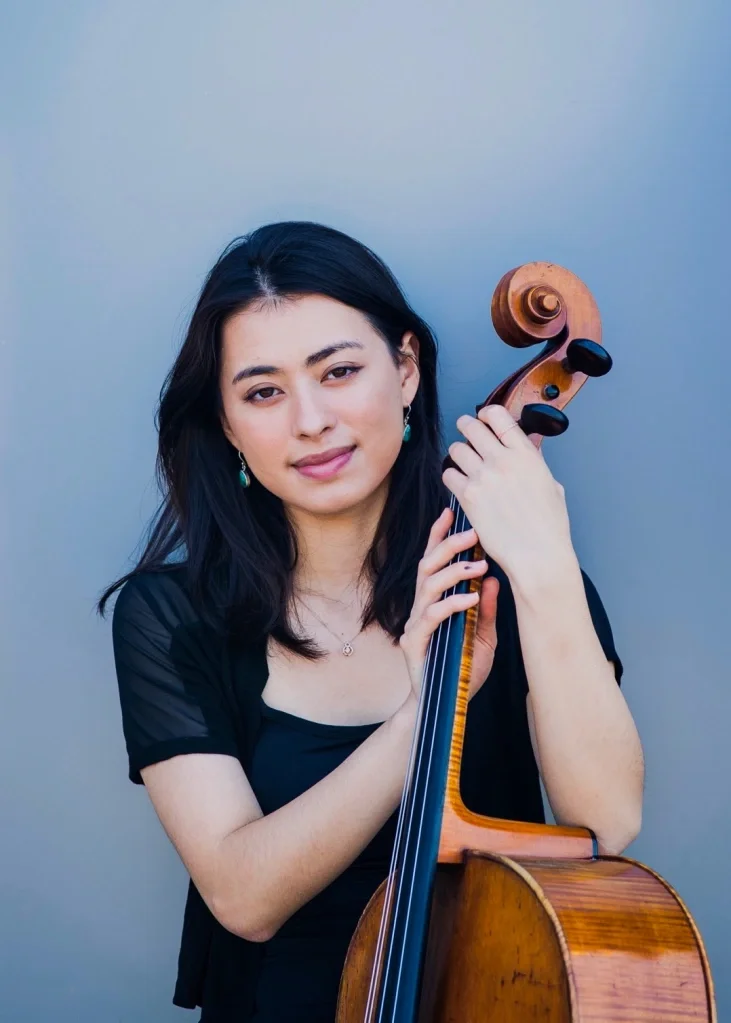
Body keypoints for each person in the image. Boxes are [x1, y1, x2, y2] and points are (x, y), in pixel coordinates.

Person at [97, 221, 644, 1022]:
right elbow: (244, 895)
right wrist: (425, 714)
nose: (311, 420)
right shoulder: (170, 616)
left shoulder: (523, 585)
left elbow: (605, 822)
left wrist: (548, 569)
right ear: (227, 425)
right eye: (263, 391)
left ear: (406, 369)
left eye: (340, 370)